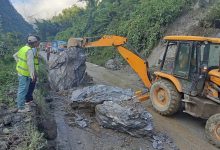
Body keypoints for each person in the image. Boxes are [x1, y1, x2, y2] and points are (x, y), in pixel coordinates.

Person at [13, 35, 40, 112]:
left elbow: (15, 56)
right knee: (23, 90)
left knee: (23, 89)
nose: (37, 44)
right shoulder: (29, 51)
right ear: (34, 43)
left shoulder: (23, 48)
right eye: (36, 43)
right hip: (25, 74)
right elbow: (30, 64)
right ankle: (21, 107)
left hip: (20, 72)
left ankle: (21, 105)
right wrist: (33, 75)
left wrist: (19, 63)